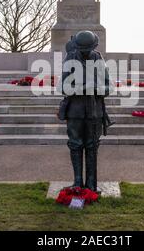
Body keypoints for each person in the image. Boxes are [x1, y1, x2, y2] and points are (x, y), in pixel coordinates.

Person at [59, 31, 112, 192]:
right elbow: (62, 87)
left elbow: (109, 87)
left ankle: (91, 184)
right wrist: (81, 88)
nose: (84, 53)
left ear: (94, 46)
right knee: (75, 145)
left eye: (87, 49)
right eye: (81, 49)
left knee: (92, 146)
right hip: (75, 111)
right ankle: (77, 183)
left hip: (94, 111)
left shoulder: (98, 59)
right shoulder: (70, 58)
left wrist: (96, 88)